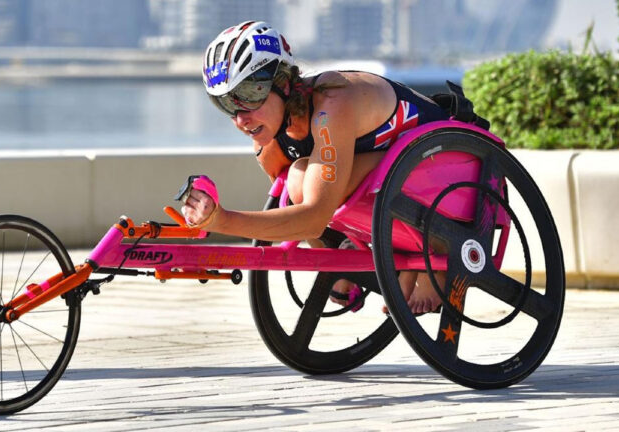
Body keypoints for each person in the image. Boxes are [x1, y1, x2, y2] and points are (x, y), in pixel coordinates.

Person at [183, 20, 449, 314]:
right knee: (295, 182)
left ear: (284, 83)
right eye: (226, 103)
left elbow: (312, 218)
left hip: (447, 169)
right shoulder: (267, 141)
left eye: (249, 94)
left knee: (301, 178)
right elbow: (302, 215)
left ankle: (432, 255)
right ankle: (352, 258)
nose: (240, 118)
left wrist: (223, 220)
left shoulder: (331, 102)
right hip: (400, 185)